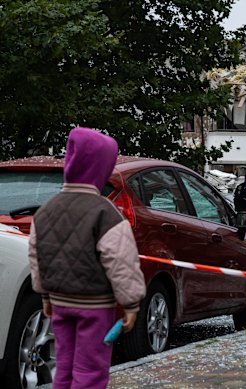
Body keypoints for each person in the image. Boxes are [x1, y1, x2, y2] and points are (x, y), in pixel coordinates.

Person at [28, 127, 146, 389]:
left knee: (64, 365)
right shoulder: (106, 213)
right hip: (95, 305)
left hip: (59, 302)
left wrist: (44, 294)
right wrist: (130, 303)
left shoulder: (46, 210)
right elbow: (121, 262)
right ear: (100, 168)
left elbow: (37, 254)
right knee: (90, 369)